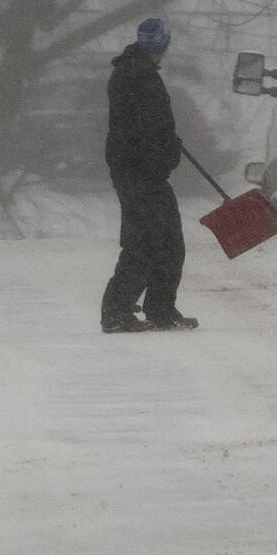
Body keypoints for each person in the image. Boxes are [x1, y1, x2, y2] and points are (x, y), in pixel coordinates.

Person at [100, 18, 198, 333]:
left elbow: (148, 125)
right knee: (143, 241)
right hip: (137, 171)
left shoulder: (135, 72)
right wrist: (165, 147)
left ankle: (160, 309)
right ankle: (116, 311)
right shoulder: (135, 75)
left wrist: (168, 146)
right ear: (161, 45)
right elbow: (143, 126)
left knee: (169, 240)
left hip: (145, 171)